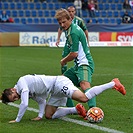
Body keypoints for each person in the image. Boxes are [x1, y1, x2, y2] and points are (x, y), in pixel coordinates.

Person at [0, 74, 126, 123]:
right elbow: (41, 100)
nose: (17, 98)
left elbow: (25, 104)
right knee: (49, 115)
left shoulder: (22, 83)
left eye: (14, 96)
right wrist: (39, 115)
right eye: (14, 100)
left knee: (83, 98)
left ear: (12, 89)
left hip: (59, 83)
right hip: (54, 91)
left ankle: (113, 83)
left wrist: (17, 120)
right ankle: (76, 110)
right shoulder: (23, 90)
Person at [55, 8, 96, 109]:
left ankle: (93, 110)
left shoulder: (73, 32)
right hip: (77, 65)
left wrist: (63, 61)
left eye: (64, 22)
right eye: (60, 23)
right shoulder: (69, 30)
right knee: (62, 83)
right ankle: (72, 109)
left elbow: (74, 54)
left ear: (70, 19)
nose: (62, 25)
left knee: (84, 84)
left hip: (85, 63)